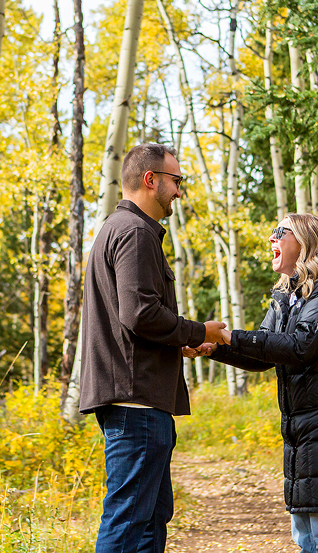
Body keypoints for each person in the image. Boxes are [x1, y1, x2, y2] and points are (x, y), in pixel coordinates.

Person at [79, 142, 228, 553]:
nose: (179, 190)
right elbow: (141, 314)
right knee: (129, 521)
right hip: (137, 403)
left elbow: (129, 320)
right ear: (151, 180)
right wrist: (199, 331)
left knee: (149, 520)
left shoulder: (119, 230)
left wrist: (176, 344)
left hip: (138, 398)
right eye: (176, 181)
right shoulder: (135, 232)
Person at [195, 213, 318, 553]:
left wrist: (232, 335)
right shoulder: (287, 297)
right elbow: (264, 351)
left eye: (280, 232)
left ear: (305, 240)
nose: (271, 239)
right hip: (302, 432)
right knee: (305, 537)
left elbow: (300, 346)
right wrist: (215, 348)